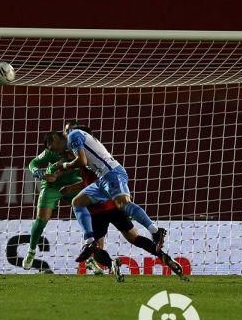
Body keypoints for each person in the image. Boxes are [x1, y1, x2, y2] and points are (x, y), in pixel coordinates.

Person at [58, 121, 167, 264]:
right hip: (103, 182)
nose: (66, 133)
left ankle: (155, 231)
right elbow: (86, 173)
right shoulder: (88, 146)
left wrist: (65, 166)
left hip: (110, 176)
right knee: (77, 202)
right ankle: (90, 242)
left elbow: (82, 161)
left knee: (124, 208)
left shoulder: (75, 136)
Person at [61, 169, 188, 282]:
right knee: (135, 238)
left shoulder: (85, 161)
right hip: (114, 207)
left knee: (96, 248)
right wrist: (71, 188)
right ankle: (165, 257)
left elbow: (90, 184)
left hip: (97, 212)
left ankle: (112, 265)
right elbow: (90, 183)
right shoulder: (96, 165)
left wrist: (64, 171)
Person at [22, 131, 81, 270]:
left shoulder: (79, 146)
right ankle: (31, 251)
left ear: (57, 139)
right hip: (52, 186)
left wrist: (60, 171)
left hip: (74, 185)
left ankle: (94, 256)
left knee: (92, 214)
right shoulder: (50, 152)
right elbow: (33, 163)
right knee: (42, 218)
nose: (51, 150)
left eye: (52, 146)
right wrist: (38, 171)